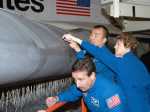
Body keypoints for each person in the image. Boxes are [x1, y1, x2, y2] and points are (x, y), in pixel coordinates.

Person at [63, 32, 150, 112]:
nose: (115, 47)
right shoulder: (137, 63)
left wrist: (75, 39)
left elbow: (100, 54)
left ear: (128, 47)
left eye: (118, 44)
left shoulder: (123, 63)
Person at [38, 57, 128, 112]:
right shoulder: (84, 85)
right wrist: (57, 98)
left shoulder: (111, 92)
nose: (77, 84)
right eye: (75, 79)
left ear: (92, 76)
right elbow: (73, 92)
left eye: (80, 79)